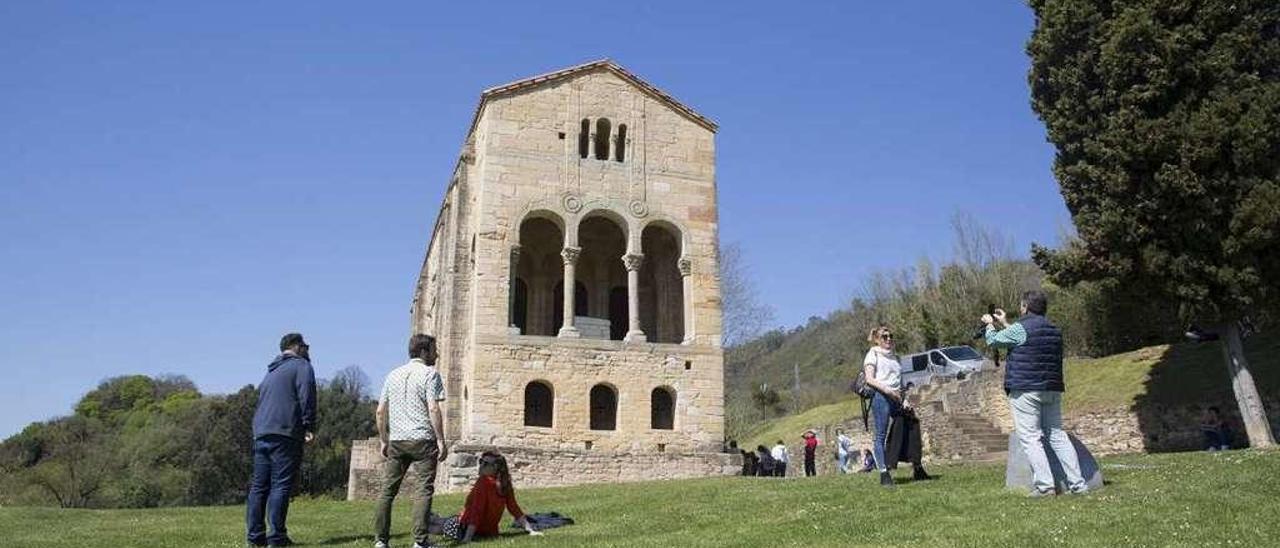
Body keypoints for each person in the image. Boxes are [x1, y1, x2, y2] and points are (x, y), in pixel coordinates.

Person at [985, 289, 1088, 496]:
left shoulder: (1021, 329)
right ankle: (1078, 484)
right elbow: (1024, 337)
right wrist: (1005, 322)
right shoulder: (1054, 329)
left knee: (1031, 438)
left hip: (1026, 389)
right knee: (1057, 435)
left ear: (1025, 307)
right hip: (1052, 388)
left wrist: (989, 324)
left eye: (1021, 306)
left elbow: (994, 341)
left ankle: (1045, 486)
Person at [374, 334, 448, 548]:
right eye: (434, 350)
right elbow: (433, 408)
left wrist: (383, 440)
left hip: (397, 440)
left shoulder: (392, 375)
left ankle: (380, 541)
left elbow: (380, 412)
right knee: (423, 490)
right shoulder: (430, 374)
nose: (437, 354)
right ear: (424, 352)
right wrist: (441, 439)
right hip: (423, 439)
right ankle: (420, 542)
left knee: (387, 491)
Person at [247, 333, 317, 547]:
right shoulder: (302, 366)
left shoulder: (271, 371)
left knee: (259, 487)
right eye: (305, 346)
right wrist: (308, 426)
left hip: (261, 432)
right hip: (285, 432)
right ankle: (277, 537)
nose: (308, 349)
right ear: (296, 347)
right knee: (280, 485)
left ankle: (255, 537)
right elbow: (307, 396)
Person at [427, 451, 542, 543]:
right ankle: (428, 518)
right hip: (475, 528)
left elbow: (513, 508)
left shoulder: (491, 482)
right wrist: (468, 538)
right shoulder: (495, 482)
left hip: (469, 528)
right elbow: (478, 510)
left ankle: (428, 518)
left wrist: (530, 530)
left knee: (433, 526)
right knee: (435, 523)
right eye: (481, 461)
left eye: (486, 463)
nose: (481, 466)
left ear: (496, 467)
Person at [863, 325, 906, 488]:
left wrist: (904, 397)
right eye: (884, 337)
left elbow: (899, 379)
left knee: (909, 424)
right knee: (880, 434)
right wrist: (888, 391)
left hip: (896, 397)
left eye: (890, 336)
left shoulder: (895, 357)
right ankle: (883, 473)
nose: (888, 339)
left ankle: (916, 465)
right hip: (881, 396)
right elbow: (869, 379)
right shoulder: (872, 354)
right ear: (876, 339)